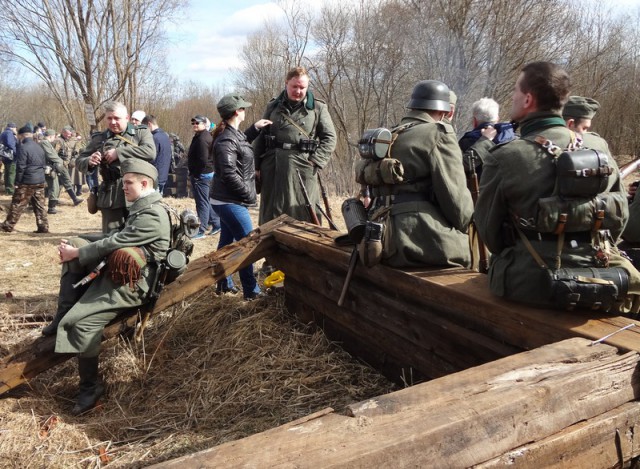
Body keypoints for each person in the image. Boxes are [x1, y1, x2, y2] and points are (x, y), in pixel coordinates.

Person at [475, 61, 640, 310]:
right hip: (600, 278)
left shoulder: (506, 156)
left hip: (528, 284)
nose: (513, 97)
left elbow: (490, 234)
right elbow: (620, 219)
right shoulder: (598, 146)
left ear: (528, 99)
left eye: (516, 91)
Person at [41, 159, 170, 415]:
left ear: (144, 184)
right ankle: (63, 312)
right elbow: (116, 237)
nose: (124, 187)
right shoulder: (143, 207)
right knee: (78, 243)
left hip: (134, 283)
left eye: (128, 183)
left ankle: (90, 387)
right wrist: (79, 244)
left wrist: (77, 252)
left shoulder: (152, 215)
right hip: (123, 273)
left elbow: (119, 240)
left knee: (83, 324)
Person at [368, 80, 473, 268]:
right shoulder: (438, 133)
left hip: (379, 236)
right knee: (469, 256)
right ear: (445, 112)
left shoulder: (390, 134)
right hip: (416, 239)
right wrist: (469, 223)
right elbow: (456, 204)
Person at [253, 66, 337, 225]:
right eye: (295, 86)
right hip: (273, 167)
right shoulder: (273, 106)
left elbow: (330, 137)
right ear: (286, 83)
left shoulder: (318, 108)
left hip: (303, 167)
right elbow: (261, 136)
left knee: (303, 213)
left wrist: (315, 161)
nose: (298, 91)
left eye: (302, 87)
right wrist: (256, 166)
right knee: (272, 214)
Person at [210, 94, 272, 299]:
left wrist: (254, 128)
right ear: (237, 112)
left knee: (226, 245)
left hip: (227, 199)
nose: (245, 111)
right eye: (243, 108)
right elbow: (228, 173)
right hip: (230, 201)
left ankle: (223, 284)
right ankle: (251, 291)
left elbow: (240, 144)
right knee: (248, 246)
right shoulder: (226, 139)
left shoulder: (232, 134)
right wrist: (248, 193)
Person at [76, 101, 156, 233]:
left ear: (127, 118)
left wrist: (118, 153)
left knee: (138, 233)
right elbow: (79, 161)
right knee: (111, 236)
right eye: (109, 118)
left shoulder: (140, 133)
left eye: (116, 118)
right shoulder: (99, 138)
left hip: (138, 191)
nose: (112, 122)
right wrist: (90, 161)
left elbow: (150, 152)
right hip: (111, 195)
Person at [0, 124, 49, 233]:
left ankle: (7, 226)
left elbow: (21, 166)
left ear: (21, 136)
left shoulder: (23, 148)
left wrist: (17, 182)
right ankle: (43, 227)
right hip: (40, 180)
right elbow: (43, 163)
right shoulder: (39, 147)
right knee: (40, 205)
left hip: (27, 181)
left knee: (17, 204)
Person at [459, 97, 516, 177]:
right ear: (497, 119)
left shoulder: (467, 141)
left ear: (475, 121)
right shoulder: (513, 138)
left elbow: (458, 168)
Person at [187, 114, 220, 239]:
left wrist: (196, 175)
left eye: (197, 123)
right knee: (206, 201)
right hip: (203, 174)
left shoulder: (202, 139)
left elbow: (203, 160)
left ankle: (201, 230)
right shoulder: (200, 136)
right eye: (193, 123)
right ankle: (217, 224)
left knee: (202, 203)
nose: (195, 125)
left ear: (204, 124)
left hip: (202, 175)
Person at [41, 129, 83, 214]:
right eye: (68, 133)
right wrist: (61, 161)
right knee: (54, 186)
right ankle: (50, 206)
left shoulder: (49, 143)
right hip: (55, 165)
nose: (69, 135)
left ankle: (55, 204)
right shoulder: (48, 142)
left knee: (59, 184)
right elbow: (52, 155)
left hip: (59, 165)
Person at [141, 115, 172, 194]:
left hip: (155, 176)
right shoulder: (165, 136)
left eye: (145, 128)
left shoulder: (154, 138)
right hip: (163, 175)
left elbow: (151, 157)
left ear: (149, 124)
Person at [56, 126, 85, 197]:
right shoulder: (61, 140)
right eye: (69, 133)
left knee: (77, 177)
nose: (71, 135)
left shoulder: (76, 141)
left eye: (71, 133)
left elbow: (79, 150)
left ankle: (78, 192)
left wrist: (74, 159)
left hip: (75, 161)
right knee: (68, 179)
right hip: (65, 162)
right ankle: (72, 194)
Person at [1, 122, 18, 195]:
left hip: (4, 155)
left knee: (7, 172)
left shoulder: (3, 133)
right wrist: (16, 152)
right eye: (15, 128)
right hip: (10, 156)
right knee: (11, 172)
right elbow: (11, 144)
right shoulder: (9, 133)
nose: (16, 130)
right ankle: (10, 190)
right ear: (12, 128)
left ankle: (7, 188)